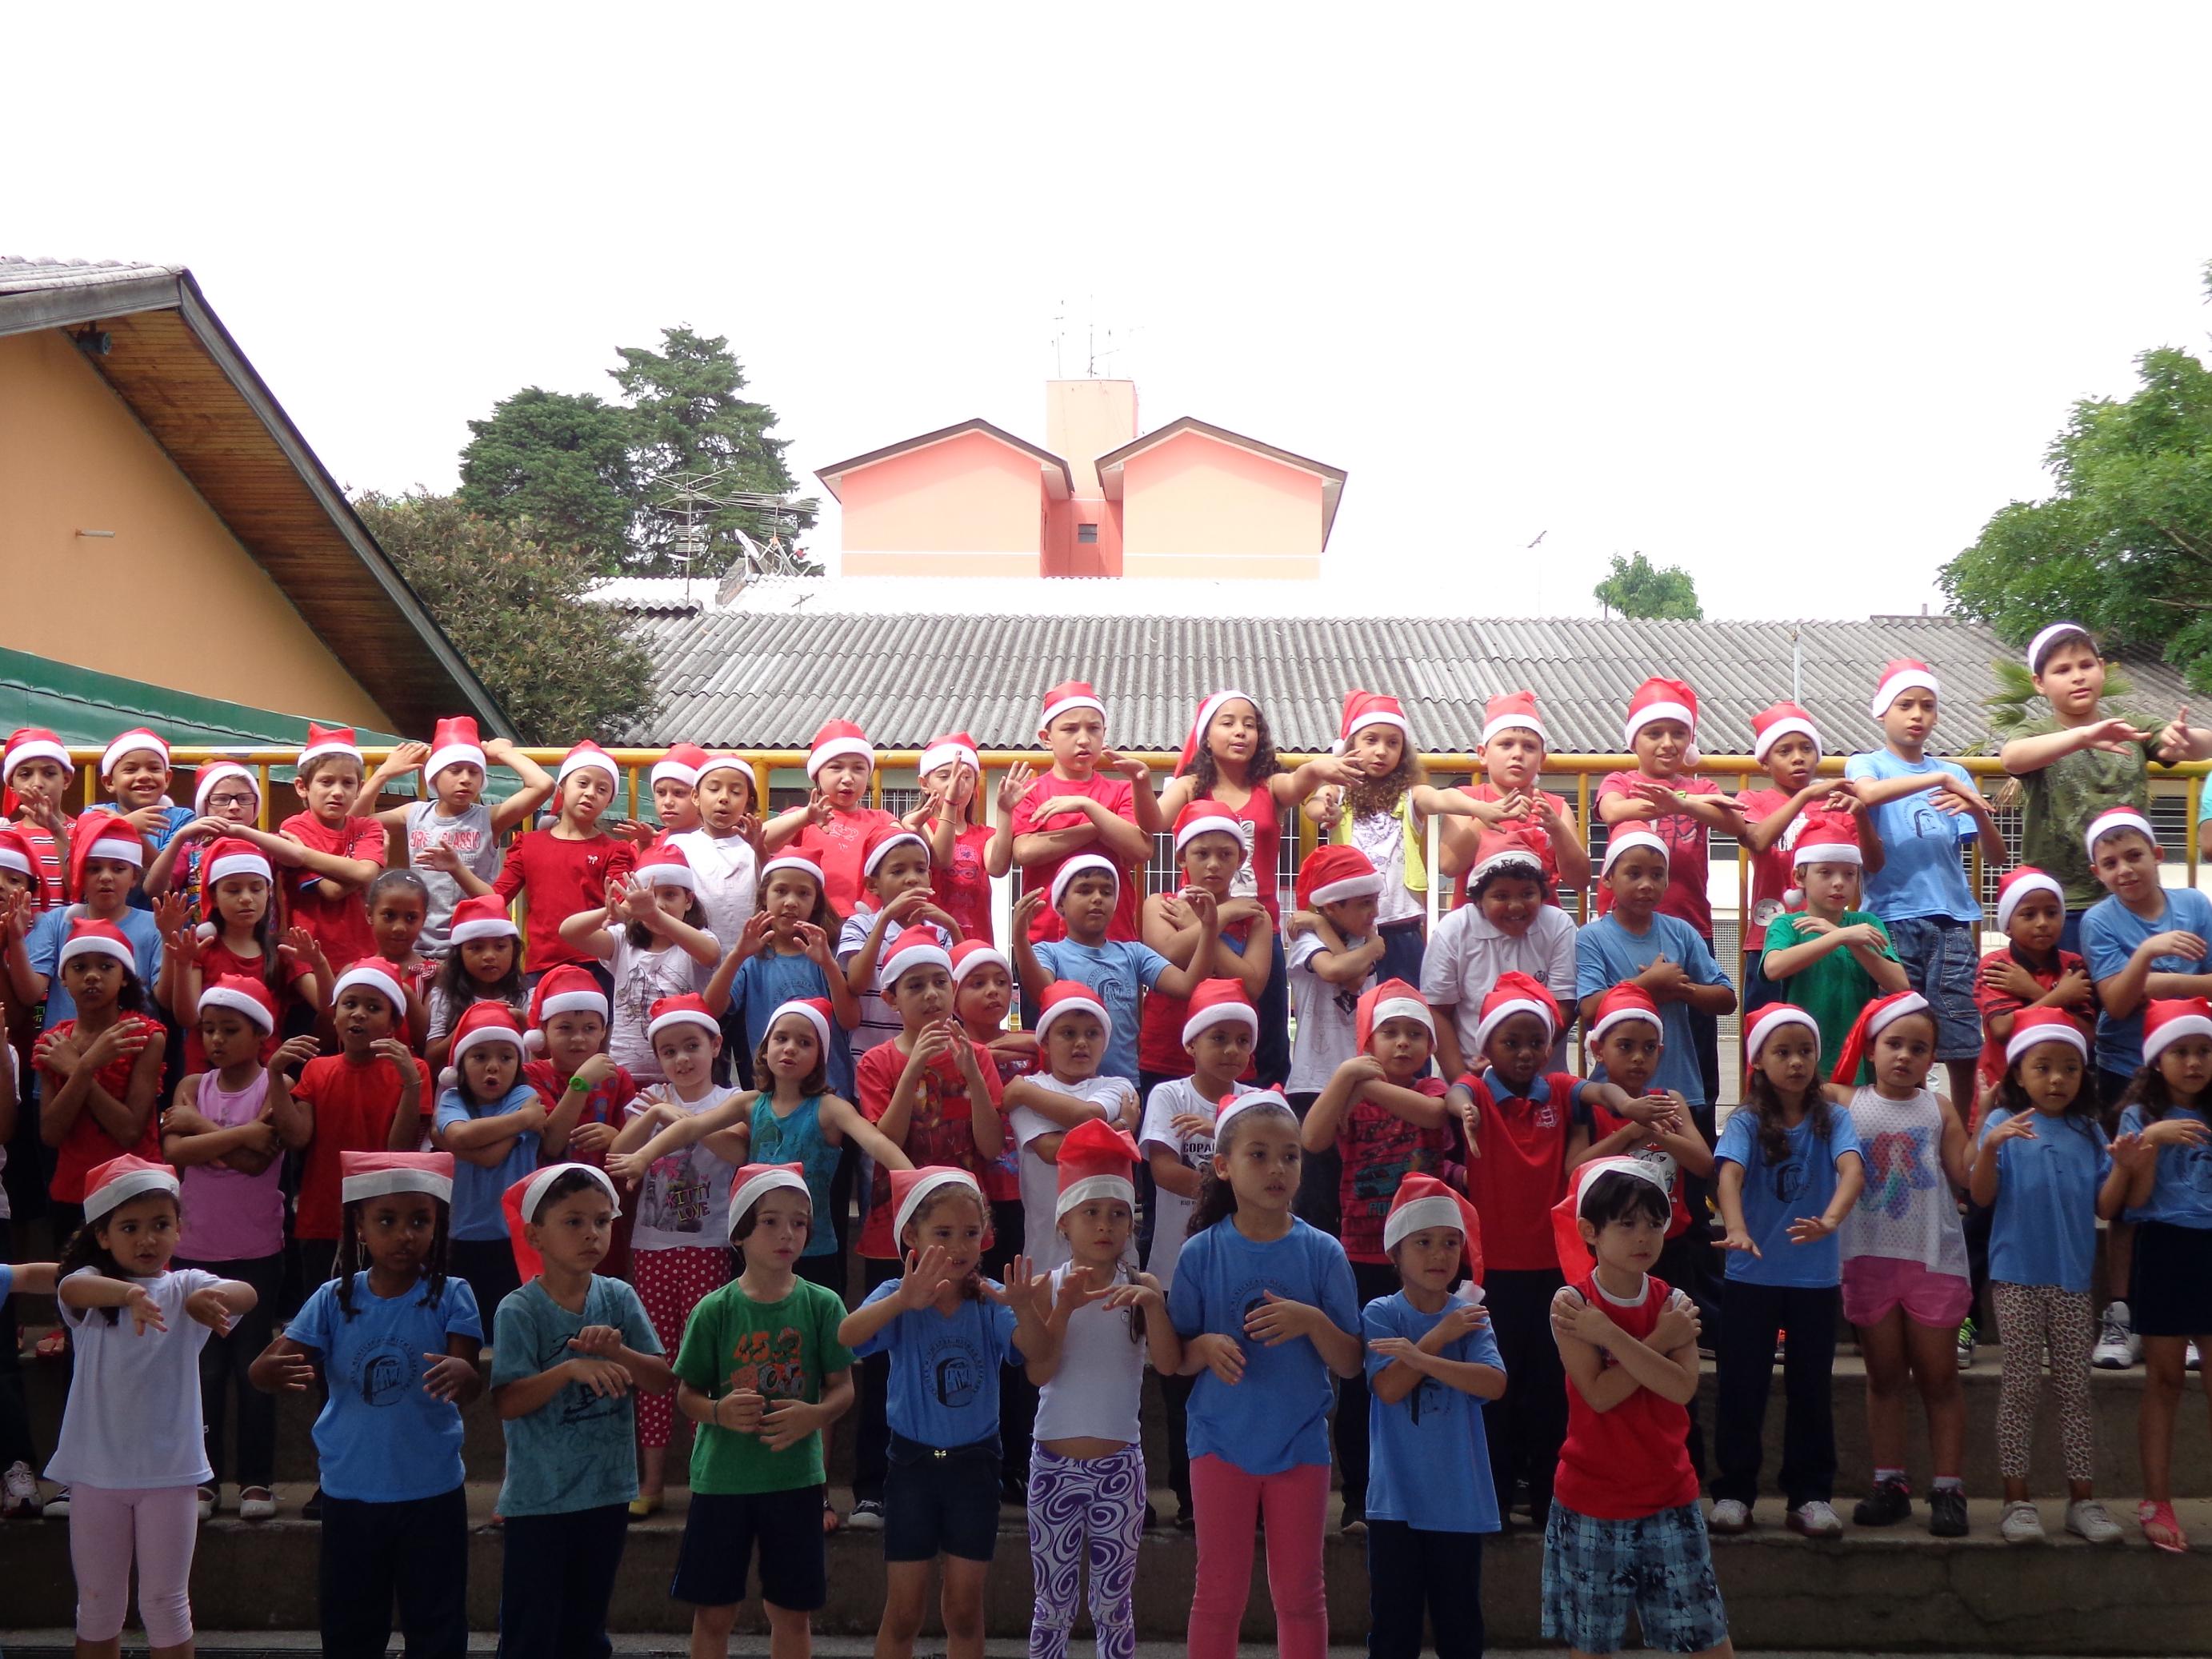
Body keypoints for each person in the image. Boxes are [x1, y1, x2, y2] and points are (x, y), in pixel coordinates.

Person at [248, 1150, 483, 1659]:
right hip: (352, 1490)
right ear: (360, 1226)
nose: (404, 1234)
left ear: (437, 1226)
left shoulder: (453, 1295)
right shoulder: (334, 1298)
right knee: (351, 1624)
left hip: (432, 1489)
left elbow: (467, 1382)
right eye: (387, 1220)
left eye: (419, 1221)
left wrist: (466, 1374)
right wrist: (271, 1370)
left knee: (437, 1623)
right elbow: (265, 1367)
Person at [1166, 1090, 1362, 1659]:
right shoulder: (1200, 1253)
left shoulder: (1322, 1252)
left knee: (1301, 1595)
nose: (1277, 1169)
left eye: (1290, 1155)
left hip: (1299, 1444)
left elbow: (1349, 1362)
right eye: (1259, 1155)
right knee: (1218, 1594)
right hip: (1218, 1442)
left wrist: (1311, 1321)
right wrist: (1203, 1346)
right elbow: (1176, 1356)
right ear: (1223, 1166)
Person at [838, 1167, 1057, 1659]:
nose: (959, 1246)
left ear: (986, 1236)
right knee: (904, 1611)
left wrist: (1025, 1309)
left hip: (975, 1468)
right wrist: (901, 1300)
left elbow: (1039, 1355)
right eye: (943, 1233)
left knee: (963, 1609)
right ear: (911, 1235)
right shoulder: (900, 1295)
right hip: (911, 1467)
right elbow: (847, 1336)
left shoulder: (989, 1302)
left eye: (970, 1233)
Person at [48, 1155, 255, 1659]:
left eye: (161, 1225)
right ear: (103, 1235)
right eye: (130, 1227)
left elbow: (246, 1293)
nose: (146, 1240)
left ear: (180, 1229)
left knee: (166, 1602)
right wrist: (128, 1295)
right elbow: (70, 1286)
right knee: (97, 1605)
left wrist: (213, 1298)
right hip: (97, 1474)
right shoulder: (93, 1293)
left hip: (171, 1475)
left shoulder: (186, 1288)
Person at [846, 931, 1010, 1528]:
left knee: (964, 1344)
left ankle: (971, 1471)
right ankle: (873, 1485)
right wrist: (914, 1066)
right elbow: (884, 1144)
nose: (932, 994)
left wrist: (970, 1072)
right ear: (891, 998)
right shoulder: (877, 1061)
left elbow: (991, 1147)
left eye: (940, 982)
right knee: (890, 1350)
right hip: (896, 1232)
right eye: (915, 985)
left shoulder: (979, 1057)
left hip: (964, 1231)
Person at [1544, 1159, 1733, 1659]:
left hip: (1669, 1491)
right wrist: (1653, 1342)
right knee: (1593, 1645)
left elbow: (1680, 1387)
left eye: (1653, 1221)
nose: (1643, 1236)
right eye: (1626, 1223)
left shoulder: (1673, 1301)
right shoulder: (1571, 1304)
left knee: (1709, 1643)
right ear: (1590, 1230)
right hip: (1594, 1498)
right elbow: (1599, 1395)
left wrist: (1611, 1337)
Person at [672, 1163, 856, 1659]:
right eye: (770, 1221)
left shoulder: (823, 1305)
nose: (787, 1234)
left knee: (792, 1612)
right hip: (723, 1481)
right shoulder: (715, 1309)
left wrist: (813, 1416)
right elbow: (687, 1394)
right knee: (713, 1611)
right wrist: (718, 1412)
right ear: (740, 1234)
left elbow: (843, 1390)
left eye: (799, 1223)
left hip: (795, 1480)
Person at [610, 997, 911, 1296]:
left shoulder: (831, 1108)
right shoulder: (750, 1103)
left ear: (820, 1057)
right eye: (781, 1038)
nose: (790, 1047)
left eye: (805, 1042)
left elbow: (875, 1141)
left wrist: (916, 1181)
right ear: (765, 1049)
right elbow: (691, 1126)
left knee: (814, 1333)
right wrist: (644, 1156)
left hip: (813, 1249)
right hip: (755, 1247)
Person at [491, 1162, 672, 1659]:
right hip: (540, 1499)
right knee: (531, 1630)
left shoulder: (619, 1297)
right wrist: (570, 1370)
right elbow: (507, 1401)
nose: (591, 1233)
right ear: (536, 1235)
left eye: (602, 1221)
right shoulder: (519, 1309)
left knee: (586, 1628)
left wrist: (619, 1354)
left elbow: (661, 1381)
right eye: (573, 1221)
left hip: (608, 1492)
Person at [1300, 979, 1456, 1534]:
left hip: (1425, 1262)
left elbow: (1433, 1118)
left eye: (1415, 1033)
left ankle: (1419, 1489)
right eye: (1388, 1032)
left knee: (1423, 1375)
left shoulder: (1436, 1089)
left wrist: (1358, 1080)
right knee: (1365, 1380)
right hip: (1362, 1255)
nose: (1402, 1043)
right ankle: (1361, 1500)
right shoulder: (1351, 1087)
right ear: (1368, 1040)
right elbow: (1312, 1138)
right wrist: (1346, 1076)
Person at [1443, 973, 1597, 1529]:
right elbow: (1457, 1090)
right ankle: (1495, 1495)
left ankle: (1551, 1500)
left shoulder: (1558, 1089)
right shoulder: (1479, 1094)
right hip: (1494, 1274)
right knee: (1496, 1386)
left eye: (1536, 1040)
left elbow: (1595, 1092)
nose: (1527, 1052)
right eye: (1512, 1042)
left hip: (1553, 1269)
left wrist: (1628, 1103)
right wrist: (1461, 1106)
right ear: (1487, 1048)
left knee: (1548, 1390)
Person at [1968, 1009, 2126, 1545]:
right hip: (2015, 1276)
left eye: (2068, 1068)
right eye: (2043, 1067)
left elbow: (2105, 1205)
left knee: (2073, 1391)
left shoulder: (2086, 1130)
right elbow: (1981, 1196)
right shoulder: (2002, 1126)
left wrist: (2124, 1165)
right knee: (2018, 1387)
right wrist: (1989, 1147)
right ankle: (2016, 1501)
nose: (2056, 1078)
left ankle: (2082, 1501)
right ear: (2018, 1073)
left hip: (2071, 1281)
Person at [1023, 1121, 1180, 1659]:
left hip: (1120, 1468)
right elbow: (1039, 1372)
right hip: (1052, 1465)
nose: (1105, 1224)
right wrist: (1063, 1307)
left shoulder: (1144, 1287)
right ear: (1064, 1221)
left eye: (1117, 1213)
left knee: (1114, 1604)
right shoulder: (1047, 1287)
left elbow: (1167, 1363)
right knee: (1052, 1604)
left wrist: (1155, 1306)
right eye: (1090, 1212)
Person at [161, 975, 314, 1521]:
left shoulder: (274, 1089)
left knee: (251, 1368)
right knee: (200, 1370)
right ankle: (201, 1479)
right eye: (209, 1030)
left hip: (255, 1250)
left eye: (230, 1029)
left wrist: (206, 1134)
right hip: (193, 1248)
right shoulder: (190, 1085)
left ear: (260, 1035)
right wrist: (236, 1135)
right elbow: (175, 1149)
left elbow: (256, 1160)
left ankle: (256, 1481)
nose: (216, 1040)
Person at [1709, 1004, 1865, 1538]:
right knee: (1741, 1385)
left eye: (1804, 1051)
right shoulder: (1746, 1120)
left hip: (1813, 1279)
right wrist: (1736, 1228)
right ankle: (1733, 1491)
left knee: (1810, 1388)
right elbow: (1727, 1176)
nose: (1795, 1062)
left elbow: (1852, 1169)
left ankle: (1809, 1494)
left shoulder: (1835, 1117)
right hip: (1750, 1275)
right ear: (1758, 1061)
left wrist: (1829, 1219)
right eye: (1782, 1051)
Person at [1830, 991, 1974, 1535]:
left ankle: (1947, 1488)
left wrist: (1993, 1132)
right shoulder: (1844, 1102)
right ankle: (1888, 1483)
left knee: (1938, 1378)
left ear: (1932, 1058)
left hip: (1931, 1257)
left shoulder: (1938, 1109)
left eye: (1919, 1048)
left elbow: (1964, 1172)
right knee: (1883, 1376)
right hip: (1867, 1256)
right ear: (1870, 1048)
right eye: (1893, 1043)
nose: (1904, 1056)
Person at [1157, 691, 1356, 1083]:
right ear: (1206, 735)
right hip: (1197, 925)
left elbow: (1300, 781)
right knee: (1202, 1028)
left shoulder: (1270, 786)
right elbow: (1154, 821)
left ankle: (1270, 1115)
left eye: (1250, 724)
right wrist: (1137, 782)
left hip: (1259, 931)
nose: (1241, 731)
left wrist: (1317, 770)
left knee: (1267, 1040)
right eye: (1228, 722)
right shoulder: (1189, 786)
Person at [602, 994, 748, 1515]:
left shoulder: (732, 1099)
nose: (682, 1059)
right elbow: (619, 1152)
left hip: (709, 1244)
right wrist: (659, 1110)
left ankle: (708, 1473)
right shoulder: (648, 1100)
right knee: (658, 1364)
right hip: (652, 1248)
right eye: (669, 1051)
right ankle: (652, 1482)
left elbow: (739, 1151)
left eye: (692, 1046)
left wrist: (678, 1115)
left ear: (715, 1045)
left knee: (705, 1362)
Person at [2079, 806, 2212, 1368]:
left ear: (2157, 855)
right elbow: (2114, 1001)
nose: (2124, 870)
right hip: (2123, 1066)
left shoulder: (2194, 906)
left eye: (2133, 856)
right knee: (2129, 1191)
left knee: (2190, 1183)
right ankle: (2121, 1310)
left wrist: (2146, 981)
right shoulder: (2098, 921)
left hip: (2192, 1065)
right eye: (2109, 863)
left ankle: (2182, 1315)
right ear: (2096, 872)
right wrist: (2147, 952)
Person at [1844, 660, 2005, 1116]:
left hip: (1952, 921)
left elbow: (1994, 857)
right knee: (1895, 1024)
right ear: (1883, 712)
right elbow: (1868, 797)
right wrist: (1939, 779)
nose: (1917, 715)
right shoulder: (1867, 763)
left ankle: (1964, 1122)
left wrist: (1976, 809)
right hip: (1892, 918)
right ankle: (1889, 1115)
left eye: (1927, 706)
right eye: (1906, 705)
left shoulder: (1956, 771)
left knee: (1958, 1026)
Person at [1569, 981, 1714, 1479]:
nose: (1637, 1058)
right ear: (1598, 1048)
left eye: (1648, 1047)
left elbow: (1702, 1162)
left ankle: (1682, 1465)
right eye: (1624, 1046)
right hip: (1607, 1261)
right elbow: (1573, 1169)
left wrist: (1663, 1131)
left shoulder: (1670, 1099)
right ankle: (1611, 1461)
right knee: (1614, 1359)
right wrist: (1630, 1130)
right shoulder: (1588, 1102)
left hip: (1668, 1251)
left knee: (1673, 1357)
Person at [1998, 621, 2212, 951]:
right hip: (2062, 902)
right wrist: (2083, 737)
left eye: (2085, 665)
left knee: (2136, 995)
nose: (2078, 676)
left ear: (2101, 669)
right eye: (2063, 670)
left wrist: (2184, 739)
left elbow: (2199, 746)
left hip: (2132, 897)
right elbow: (2012, 758)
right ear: (2039, 683)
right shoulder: (2036, 731)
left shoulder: (2132, 725)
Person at [1361, 1176, 1502, 1659]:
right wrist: (1438, 1338)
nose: (1439, 1254)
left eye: (1450, 1242)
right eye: (1423, 1242)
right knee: (1394, 1628)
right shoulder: (1381, 1313)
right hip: (1395, 1500)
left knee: (1460, 1627)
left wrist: (1421, 1356)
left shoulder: (1470, 1315)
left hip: (1457, 1500)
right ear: (1396, 1254)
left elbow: (1493, 1383)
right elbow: (1389, 1387)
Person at [1137, 979, 1258, 1528]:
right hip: (1176, 1268)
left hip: (1245, 1266)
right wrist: (1231, 1177)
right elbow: (1162, 1171)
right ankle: (1191, 1501)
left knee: (1242, 1382)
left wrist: (1221, 1139)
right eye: (1219, 1038)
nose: (1231, 1050)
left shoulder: (1259, 1104)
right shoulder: (1168, 1096)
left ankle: (1247, 1496)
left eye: (1241, 1040)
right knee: (1179, 1391)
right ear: (1191, 1043)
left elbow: (1271, 1178)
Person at [1595, 677, 1745, 1109]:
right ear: (1634, 739)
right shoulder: (1620, 780)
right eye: (1654, 733)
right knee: (1625, 1033)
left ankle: (1700, 1128)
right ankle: (1619, 1121)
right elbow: (1612, 810)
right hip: (1623, 934)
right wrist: (1682, 802)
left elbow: (1736, 824)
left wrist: (1682, 802)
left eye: (1678, 733)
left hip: (1689, 933)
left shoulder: (1702, 788)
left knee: (1697, 1043)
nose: (1667, 743)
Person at [2105, 997, 2212, 1552]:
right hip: (2164, 1247)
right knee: (2165, 1379)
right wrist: (2151, 1143)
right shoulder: (2137, 1118)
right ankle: (2156, 1498)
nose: (2193, 1062)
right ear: (2155, 1061)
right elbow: (2134, 1201)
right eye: (2180, 1051)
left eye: (2202, 1050)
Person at [287, 960, 435, 1329]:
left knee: (380, 1321)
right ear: (334, 1014)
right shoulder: (316, 1070)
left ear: (394, 1022)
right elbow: (297, 1137)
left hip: (384, 1221)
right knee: (322, 1324)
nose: (359, 1015)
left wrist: (410, 1085)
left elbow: (398, 1152)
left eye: (373, 1008)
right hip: (321, 1218)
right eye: (349, 1004)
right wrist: (276, 1077)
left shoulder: (414, 1070)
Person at [1303, 689, 1475, 985]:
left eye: (1393, 743)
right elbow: (1315, 805)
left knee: (1404, 1004)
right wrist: (1324, 811)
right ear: (1350, 746)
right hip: (1348, 924)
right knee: (1353, 1005)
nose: (1382, 751)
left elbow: (1443, 798)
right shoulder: (1340, 790)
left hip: (1401, 921)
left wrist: (1482, 809)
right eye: (1371, 740)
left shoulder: (1410, 796)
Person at [352, 717, 555, 957]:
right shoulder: (414, 813)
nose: (466, 779)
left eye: (474, 772)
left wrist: (503, 753)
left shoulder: (489, 818)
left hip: (470, 946)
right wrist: (382, 774)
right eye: (455, 770)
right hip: (417, 944)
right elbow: (354, 823)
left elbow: (543, 785)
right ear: (435, 776)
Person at [1013, 857, 1217, 1091]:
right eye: (1085, 890)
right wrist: (1020, 938)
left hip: (1125, 1087)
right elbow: (1044, 994)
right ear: (1060, 905)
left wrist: (1209, 928)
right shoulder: (1048, 952)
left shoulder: (1134, 953)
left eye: (1107, 892)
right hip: (1065, 1087)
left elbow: (1187, 986)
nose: (1097, 898)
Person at [33, 921, 167, 1250]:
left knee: (138, 1293)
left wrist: (79, 1067)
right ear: (64, 980)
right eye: (79, 967)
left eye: (106, 966)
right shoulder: (52, 1043)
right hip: (72, 1190)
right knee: (76, 1292)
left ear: (124, 978)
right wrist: (88, 1064)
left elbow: (129, 1131)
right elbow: (50, 1133)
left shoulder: (146, 1036)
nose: (92, 976)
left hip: (134, 1189)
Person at [1280, 845, 1386, 1232]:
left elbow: (1353, 976)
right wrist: (1368, 945)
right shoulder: (1308, 941)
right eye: (1363, 903)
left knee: (1358, 1194)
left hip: (1363, 1085)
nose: (1374, 913)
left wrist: (1338, 932)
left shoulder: (1357, 942)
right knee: (1317, 1195)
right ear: (1331, 907)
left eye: (1375, 901)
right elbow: (1338, 971)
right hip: (1314, 1083)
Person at [1010, 682, 1162, 949]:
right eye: (1070, 729)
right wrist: (1099, 825)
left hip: (1114, 938)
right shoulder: (1031, 791)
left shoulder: (1123, 790)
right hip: (1047, 940)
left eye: (1093, 729)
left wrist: (1086, 806)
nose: (1083, 739)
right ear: (1046, 738)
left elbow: (1141, 849)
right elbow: (1024, 851)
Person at [1137, 799, 1272, 1095]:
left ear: (1241, 858)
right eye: (1202, 854)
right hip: (1165, 1053)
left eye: (1226, 854)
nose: (1214, 864)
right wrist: (1220, 917)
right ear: (1182, 858)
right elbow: (1169, 953)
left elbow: (1251, 986)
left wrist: (1204, 924)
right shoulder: (1160, 904)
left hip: (1231, 1059)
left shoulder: (1254, 917)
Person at [1004, 982, 1142, 1272]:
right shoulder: (1034, 1085)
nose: (1081, 1042)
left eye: (1092, 1034)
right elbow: (1052, 1150)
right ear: (1044, 1042)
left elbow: (1086, 1115)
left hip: (1114, 1253)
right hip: (1048, 1253)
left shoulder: (1118, 1086)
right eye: (1068, 1033)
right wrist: (1119, 1128)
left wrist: (1020, 1093)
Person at [1422, 828, 1578, 1079]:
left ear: (1542, 892)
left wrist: (1524, 1057)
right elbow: (1438, 1011)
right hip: (1471, 1072)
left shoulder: (1558, 925)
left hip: (1543, 1077)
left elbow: (1565, 1003)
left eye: (1528, 894)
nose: (1516, 906)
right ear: (1478, 900)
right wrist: (1462, 1081)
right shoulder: (1453, 930)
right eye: (1501, 896)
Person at [560, 849, 723, 1086]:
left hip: (685, 1072)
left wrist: (655, 915)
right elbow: (569, 932)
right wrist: (614, 910)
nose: (659, 904)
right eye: (649, 897)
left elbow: (711, 955)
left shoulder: (698, 938)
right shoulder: (622, 942)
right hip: (627, 1071)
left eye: (670, 895)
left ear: (688, 901)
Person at [1758, 817, 1908, 1066]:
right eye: (1825, 872)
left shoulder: (1867, 923)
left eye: (1849, 874)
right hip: (1804, 1053)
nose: (1839, 882)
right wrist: (1839, 935)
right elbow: (1773, 968)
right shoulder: (1786, 924)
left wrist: (1850, 940)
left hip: (1857, 1050)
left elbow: (1899, 984)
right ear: (1799, 877)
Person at [520, 964, 639, 1277]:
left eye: (589, 1028)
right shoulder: (533, 1075)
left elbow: (634, 1147)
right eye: (565, 1028)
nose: (578, 1039)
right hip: (554, 1203)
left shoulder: (618, 1077)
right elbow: (553, 1141)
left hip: (605, 1206)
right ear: (543, 1031)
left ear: (603, 1032)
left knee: (606, 1278)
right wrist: (581, 1083)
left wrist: (615, 1135)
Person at [1734, 702, 1877, 961]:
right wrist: (1807, 795)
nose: (1798, 757)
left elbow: (1874, 864)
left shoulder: (1837, 805)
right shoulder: (1753, 799)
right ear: (1765, 762)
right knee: (1771, 1004)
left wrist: (1862, 815)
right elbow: (1757, 840)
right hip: (1769, 937)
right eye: (1784, 751)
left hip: (1830, 935)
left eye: (1807, 748)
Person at [161, 837, 318, 1071]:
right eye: (233, 890)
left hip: (265, 1074)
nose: (246, 898)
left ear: (268, 892)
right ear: (214, 896)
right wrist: (182, 964)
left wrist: (319, 964)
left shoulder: (281, 950)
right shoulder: (201, 947)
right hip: (206, 1072)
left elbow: (327, 1004)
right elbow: (188, 1018)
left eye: (256, 888)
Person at [714, 853, 861, 1104]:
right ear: (764, 896)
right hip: (774, 1098)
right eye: (781, 891)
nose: (791, 902)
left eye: (803, 894)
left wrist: (828, 964)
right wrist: (737, 954)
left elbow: (849, 1020)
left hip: (830, 1094)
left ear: (816, 903)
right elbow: (712, 1008)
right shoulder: (752, 961)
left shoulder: (828, 954)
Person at [491, 742, 638, 988]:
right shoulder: (528, 845)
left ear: (609, 801)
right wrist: (457, 868)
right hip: (541, 966)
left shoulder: (614, 850)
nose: (591, 793)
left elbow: (621, 905)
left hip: (598, 965)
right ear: (562, 787)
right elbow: (496, 898)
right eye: (582, 783)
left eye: (602, 789)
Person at [429, 1001, 541, 1322]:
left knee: (509, 1320)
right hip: (462, 1234)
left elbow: (473, 1146)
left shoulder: (523, 1097)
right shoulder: (453, 1099)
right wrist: (524, 1121)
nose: (493, 1066)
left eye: (506, 1057)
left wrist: (454, 1140)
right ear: (460, 1068)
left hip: (516, 1235)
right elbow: (467, 1140)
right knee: (465, 1322)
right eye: (480, 1057)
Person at [1436, 689, 1591, 908]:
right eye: (1506, 744)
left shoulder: (1555, 808)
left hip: (1539, 932)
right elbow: (1449, 865)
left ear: (1542, 759)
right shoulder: (1467, 800)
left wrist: (1557, 830)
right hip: (1476, 934)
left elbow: (1580, 881)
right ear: (1483, 754)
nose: (1517, 754)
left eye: (1529, 747)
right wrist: (1488, 817)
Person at [11, 812, 163, 1034]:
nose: (106, 877)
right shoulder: (57, 923)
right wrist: (15, 940)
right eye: (93, 868)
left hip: (130, 1055)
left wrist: (172, 941)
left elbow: (165, 1000)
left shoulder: (154, 925)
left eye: (118, 868)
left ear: (134, 878)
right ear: (80, 875)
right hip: (60, 1052)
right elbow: (30, 994)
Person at [1974, 869, 2095, 1119]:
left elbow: (2086, 1033)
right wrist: (2060, 995)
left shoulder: (2074, 965)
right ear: (2007, 926)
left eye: (2052, 913)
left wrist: (2031, 991)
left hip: (2061, 1094)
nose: (2042, 922)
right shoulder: (1997, 966)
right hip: (2003, 1090)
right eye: (2029, 915)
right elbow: (2002, 1029)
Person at [839, 823, 962, 1061]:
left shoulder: (941, 929)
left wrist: (954, 928)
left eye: (920, 869)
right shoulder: (861, 926)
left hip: (935, 1057)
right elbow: (856, 984)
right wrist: (884, 919)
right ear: (873, 885)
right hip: (873, 1058)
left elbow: (961, 994)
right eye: (898, 872)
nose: (912, 880)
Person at [762, 719, 902, 921]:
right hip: (811, 919)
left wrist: (913, 829)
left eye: (858, 769)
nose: (848, 778)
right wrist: (805, 818)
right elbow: (762, 839)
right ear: (817, 775)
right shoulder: (801, 817)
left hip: (865, 922)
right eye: (836, 768)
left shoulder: (882, 818)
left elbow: (904, 849)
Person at [272, 724, 387, 971]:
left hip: (362, 950)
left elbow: (365, 873)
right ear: (302, 786)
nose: (337, 792)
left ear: (359, 788)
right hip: (308, 954)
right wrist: (361, 867)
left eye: (348, 783)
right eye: (326, 782)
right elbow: (332, 890)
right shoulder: (294, 827)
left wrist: (303, 854)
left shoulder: (368, 827)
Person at [664, 751, 763, 991]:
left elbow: (768, 889)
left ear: (748, 802)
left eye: (736, 792)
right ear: (696, 797)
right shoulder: (678, 846)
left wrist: (759, 849)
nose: (724, 798)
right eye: (714, 789)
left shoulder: (755, 847)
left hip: (751, 968)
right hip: (690, 966)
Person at [915, 732, 1009, 948]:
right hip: (932, 944)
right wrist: (951, 801)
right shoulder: (920, 826)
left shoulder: (985, 835)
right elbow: (941, 858)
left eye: (966, 777)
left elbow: (998, 868)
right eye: (945, 776)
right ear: (925, 784)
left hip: (977, 944)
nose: (957, 783)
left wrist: (1005, 811)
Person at [424, 893, 527, 1073]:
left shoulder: (524, 997)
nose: (489, 956)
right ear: (460, 954)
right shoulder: (445, 998)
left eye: (500, 946)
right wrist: (471, 1021)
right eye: (476, 948)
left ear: (514, 950)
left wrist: (521, 1020)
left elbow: (539, 1053)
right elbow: (431, 1060)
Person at [94, 729, 198, 906]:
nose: (143, 776)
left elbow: (166, 880)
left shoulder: (182, 818)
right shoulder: (97, 813)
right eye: (131, 770)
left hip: (160, 922)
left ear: (167, 778)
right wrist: (125, 824)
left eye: (154, 768)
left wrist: (128, 829)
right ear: (109, 782)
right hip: (105, 918)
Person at [3, 725, 76, 909]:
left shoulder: (84, 830)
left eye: (49, 773)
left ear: (66, 780)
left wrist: (57, 832)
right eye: (25, 774)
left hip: (66, 936)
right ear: (12, 784)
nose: (37, 784)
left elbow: (80, 891)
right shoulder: (4, 836)